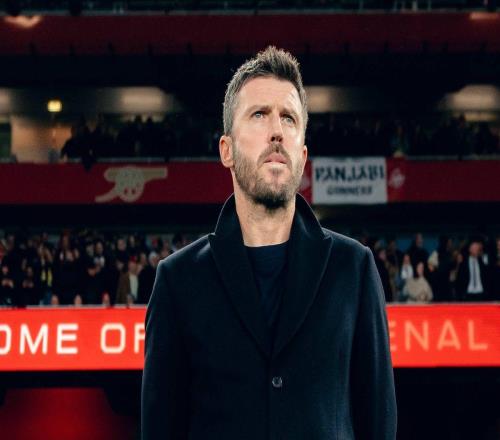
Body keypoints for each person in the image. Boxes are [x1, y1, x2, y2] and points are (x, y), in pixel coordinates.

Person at [142, 46, 396, 440]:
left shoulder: (354, 269)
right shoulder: (178, 281)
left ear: (302, 154)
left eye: (289, 118)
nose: (277, 130)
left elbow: (379, 424)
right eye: (259, 114)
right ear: (226, 150)